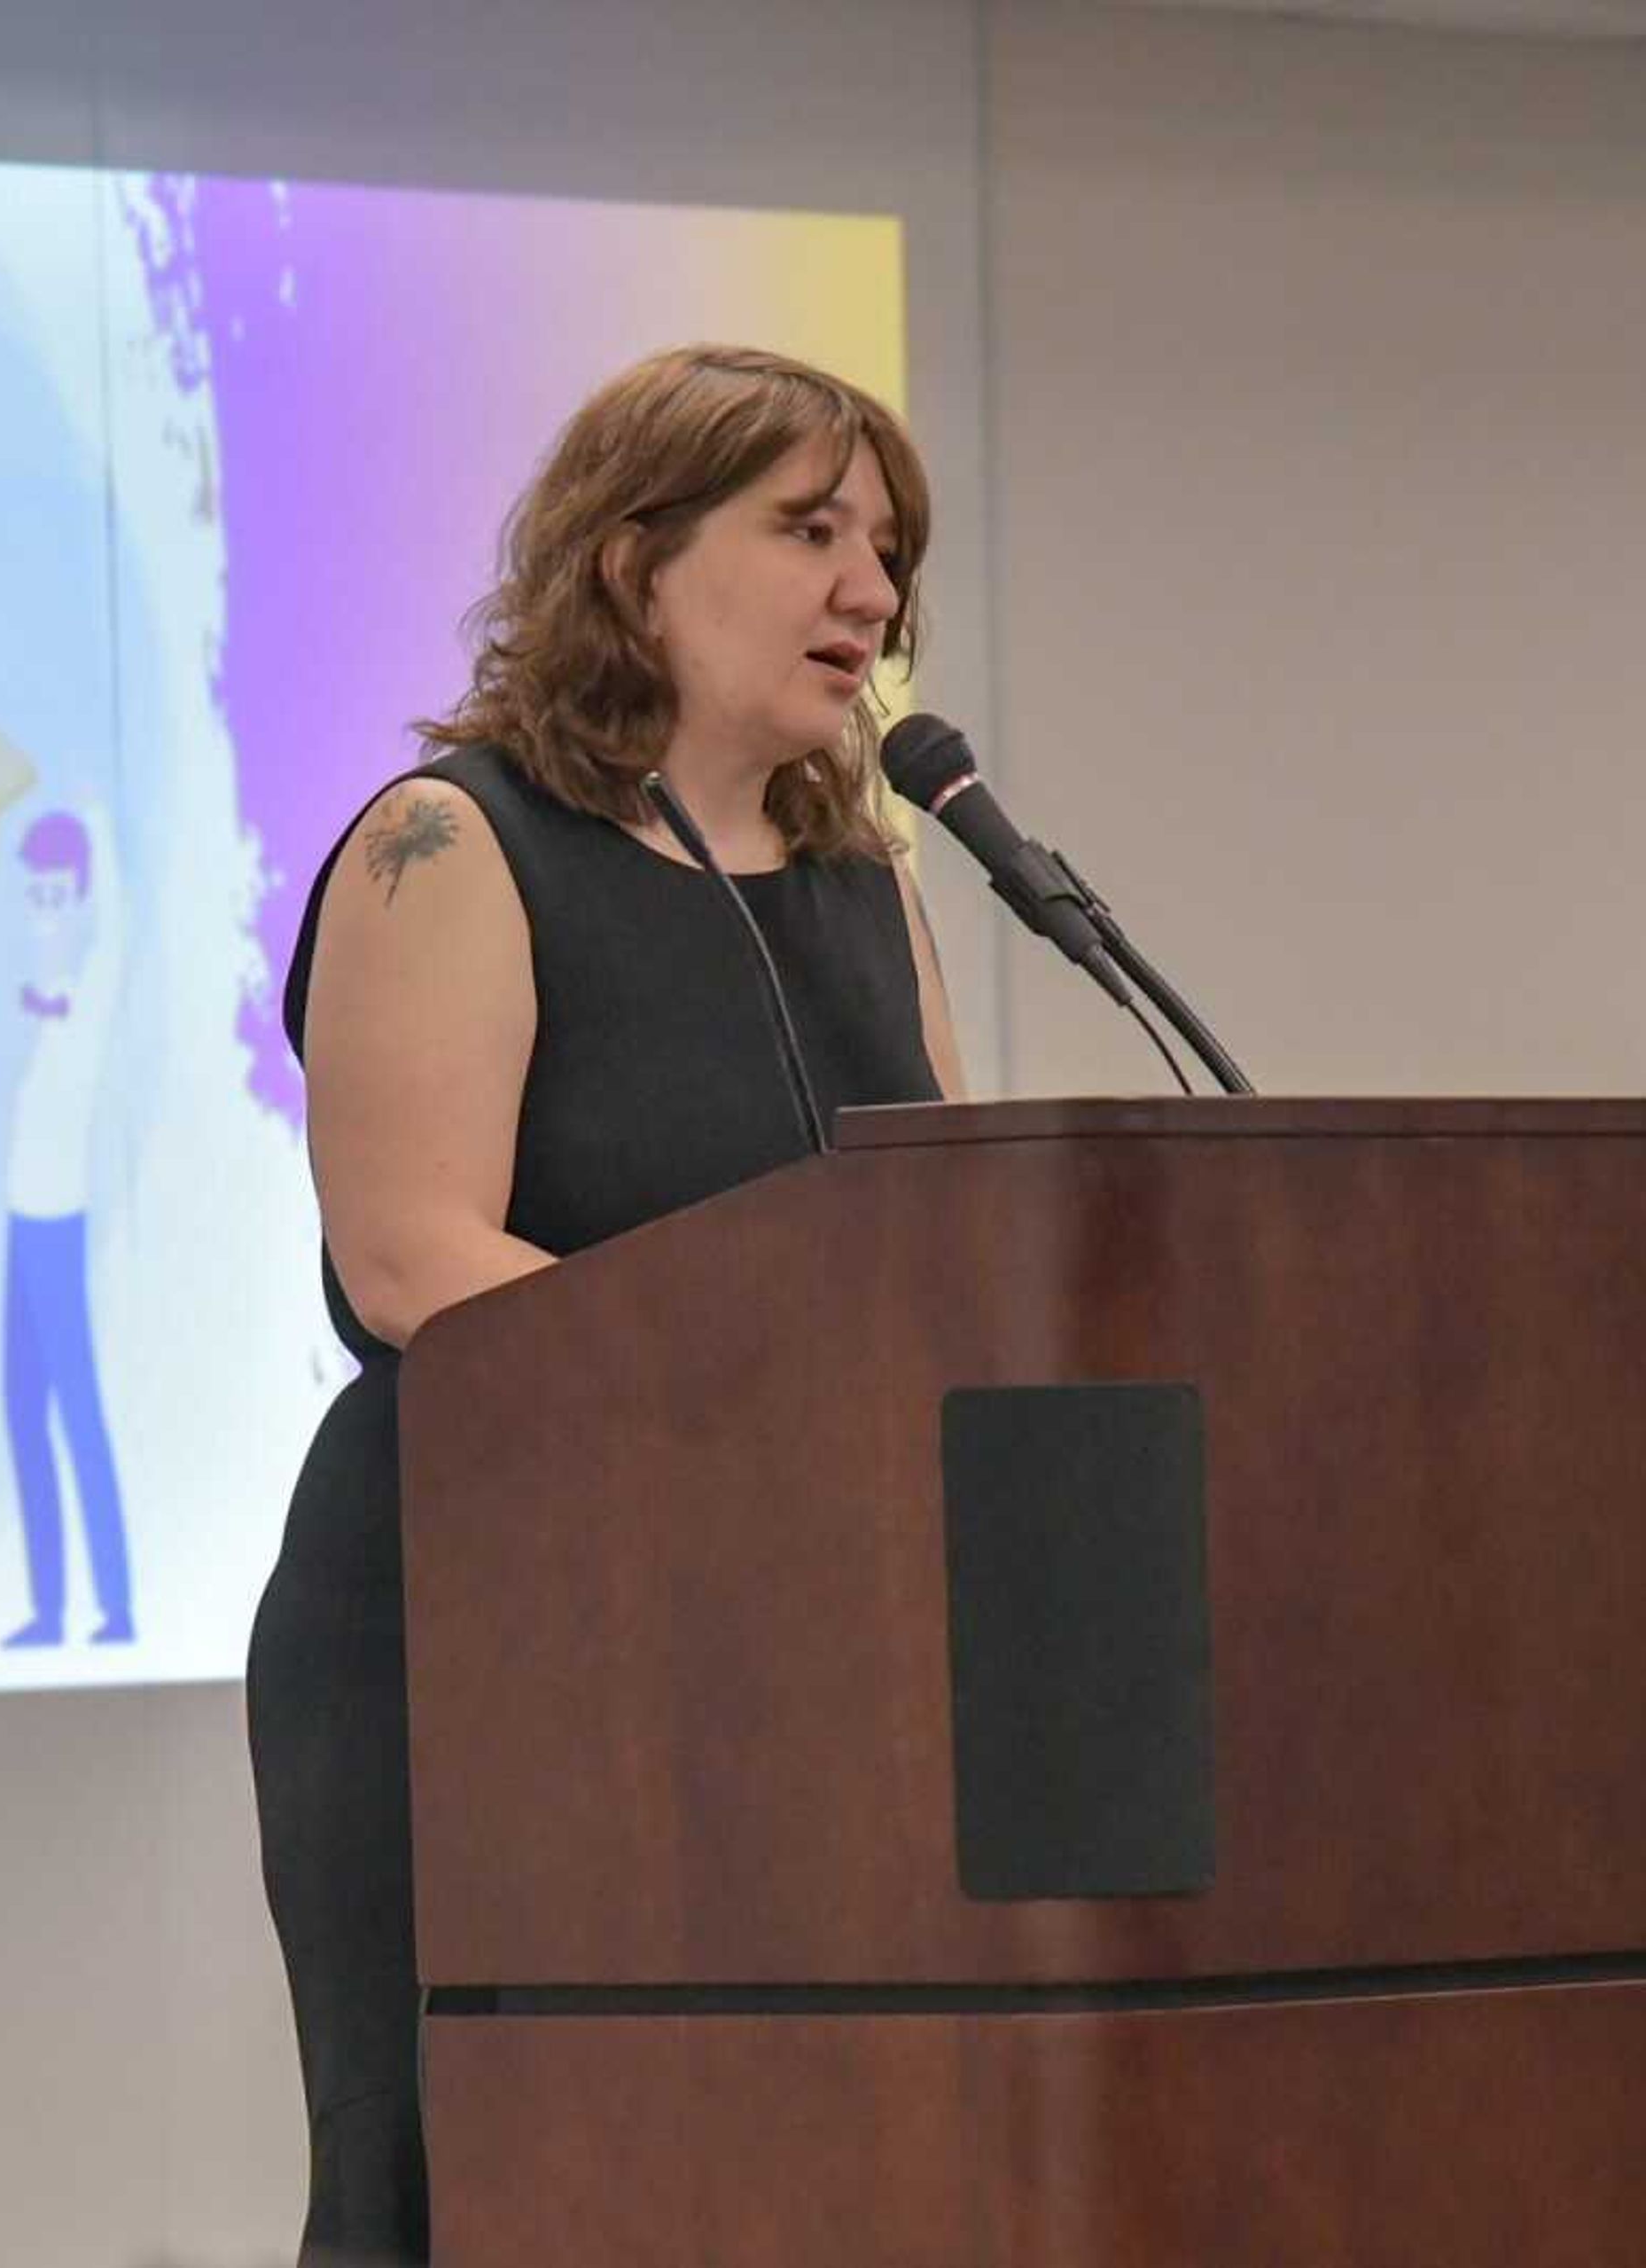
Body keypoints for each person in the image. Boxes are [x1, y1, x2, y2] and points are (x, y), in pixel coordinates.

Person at [244, 344, 969, 2265]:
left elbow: (953, 1254)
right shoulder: (454, 841)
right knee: (471, 2194)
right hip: (481, 1627)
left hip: (806, 1638)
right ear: (634, 562)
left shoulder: (863, 877)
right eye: (809, 530)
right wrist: (783, 1397)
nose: (870, 594)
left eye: (884, 547)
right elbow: (410, 1254)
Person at [0, 804, 134, 1649]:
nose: (44, 913)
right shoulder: (38, 1007)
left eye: (59, 896)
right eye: (33, 896)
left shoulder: (90, 996)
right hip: (20, 1227)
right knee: (23, 1412)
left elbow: (115, 921)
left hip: (56, 1228)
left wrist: (94, 817)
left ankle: (114, 1605)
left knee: (77, 1413)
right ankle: (49, 1608)